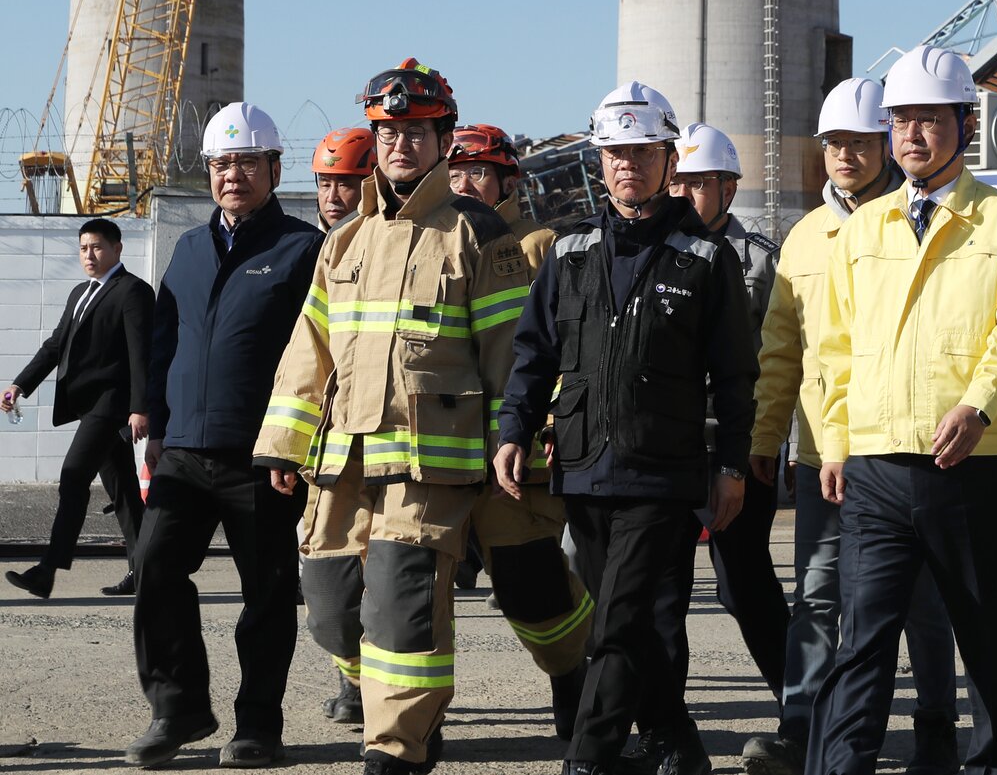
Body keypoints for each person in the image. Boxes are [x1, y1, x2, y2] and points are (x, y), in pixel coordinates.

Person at [252, 60, 538, 775]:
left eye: (415, 132)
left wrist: (518, 443)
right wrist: (285, 444)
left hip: (430, 463)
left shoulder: (475, 234)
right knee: (329, 605)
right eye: (388, 132)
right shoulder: (345, 239)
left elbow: (512, 351)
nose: (400, 145)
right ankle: (392, 708)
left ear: (442, 139)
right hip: (342, 458)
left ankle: (398, 747)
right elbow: (308, 350)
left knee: (402, 607)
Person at [493, 81, 758, 775]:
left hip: (662, 471)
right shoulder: (570, 250)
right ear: (600, 159)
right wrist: (513, 429)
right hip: (582, 463)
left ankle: (591, 754)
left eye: (641, 152)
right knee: (647, 621)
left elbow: (735, 375)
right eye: (615, 152)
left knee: (613, 617)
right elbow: (534, 351)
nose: (627, 165)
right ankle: (676, 740)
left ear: (669, 159)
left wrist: (730, 464)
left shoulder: (705, 259)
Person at [810, 45, 997, 775]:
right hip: (877, 465)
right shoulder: (862, 229)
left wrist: (979, 404)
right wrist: (835, 442)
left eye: (930, 119)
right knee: (864, 637)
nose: (914, 134)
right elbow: (835, 347)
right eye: (902, 120)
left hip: (972, 464)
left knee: (987, 636)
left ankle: (992, 763)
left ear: (962, 127)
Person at [741, 78, 961, 775]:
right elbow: (783, 350)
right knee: (816, 591)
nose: (847, 155)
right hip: (821, 453)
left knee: (924, 599)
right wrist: (763, 436)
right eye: (836, 143)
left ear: (884, 147)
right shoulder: (805, 238)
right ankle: (801, 724)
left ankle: (935, 728)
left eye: (861, 142)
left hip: (901, 448)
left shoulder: (916, 222)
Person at [126, 102, 321, 769]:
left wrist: (297, 447)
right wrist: (152, 416)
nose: (232, 175)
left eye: (244, 162)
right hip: (183, 450)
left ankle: (258, 726)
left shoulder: (302, 248)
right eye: (220, 163)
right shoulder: (186, 248)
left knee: (266, 593)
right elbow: (163, 339)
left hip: (262, 456)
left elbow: (318, 355)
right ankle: (178, 705)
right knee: (154, 566)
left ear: (273, 167)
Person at [619, 122, 789, 772]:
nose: (687, 191)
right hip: (666, 454)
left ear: (729, 186)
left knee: (746, 588)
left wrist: (768, 446)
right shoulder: (656, 252)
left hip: (738, 452)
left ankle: (803, 713)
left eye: (700, 181)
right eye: (680, 179)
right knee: (661, 596)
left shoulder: (762, 260)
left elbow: (779, 364)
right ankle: (667, 733)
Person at [445, 122, 594, 734]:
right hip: (444, 452)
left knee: (530, 584)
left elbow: (560, 347)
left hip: (518, 454)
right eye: (453, 174)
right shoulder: (434, 244)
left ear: (508, 179)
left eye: (476, 172)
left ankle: (575, 674)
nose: (462, 185)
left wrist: (549, 419)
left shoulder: (540, 246)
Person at [3, 218, 152, 600]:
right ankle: (145, 571)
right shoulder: (79, 293)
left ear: (118, 249)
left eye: (97, 247)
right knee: (123, 490)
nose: (89, 254)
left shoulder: (132, 291)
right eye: (84, 247)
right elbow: (56, 345)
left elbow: (141, 353)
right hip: (91, 407)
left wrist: (140, 407)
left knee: (72, 478)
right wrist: (20, 384)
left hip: (112, 406)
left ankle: (47, 571)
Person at [302, 125, 375, 725]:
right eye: (325, 183)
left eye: (346, 183)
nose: (333, 196)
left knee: (400, 590)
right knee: (329, 589)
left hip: (414, 451)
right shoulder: (314, 253)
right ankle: (353, 683)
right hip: (328, 452)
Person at [313, 126, 375, 229]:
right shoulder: (309, 243)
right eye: (325, 185)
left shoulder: (384, 242)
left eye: (344, 185)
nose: (332, 198)